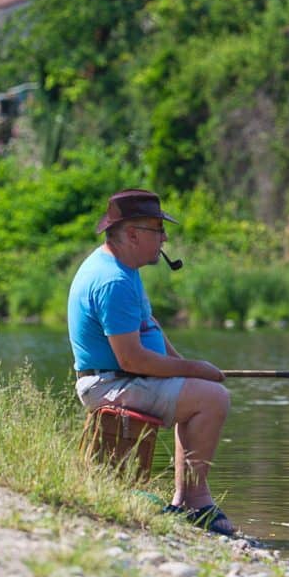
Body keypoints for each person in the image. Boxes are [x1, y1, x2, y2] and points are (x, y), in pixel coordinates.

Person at [68, 188, 234, 536]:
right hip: (109, 384)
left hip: (119, 377)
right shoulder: (113, 280)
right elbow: (131, 358)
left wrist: (186, 364)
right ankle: (196, 502)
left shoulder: (124, 268)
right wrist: (194, 370)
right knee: (213, 398)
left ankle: (184, 500)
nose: (164, 238)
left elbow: (149, 324)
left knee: (202, 392)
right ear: (132, 234)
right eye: (158, 230)